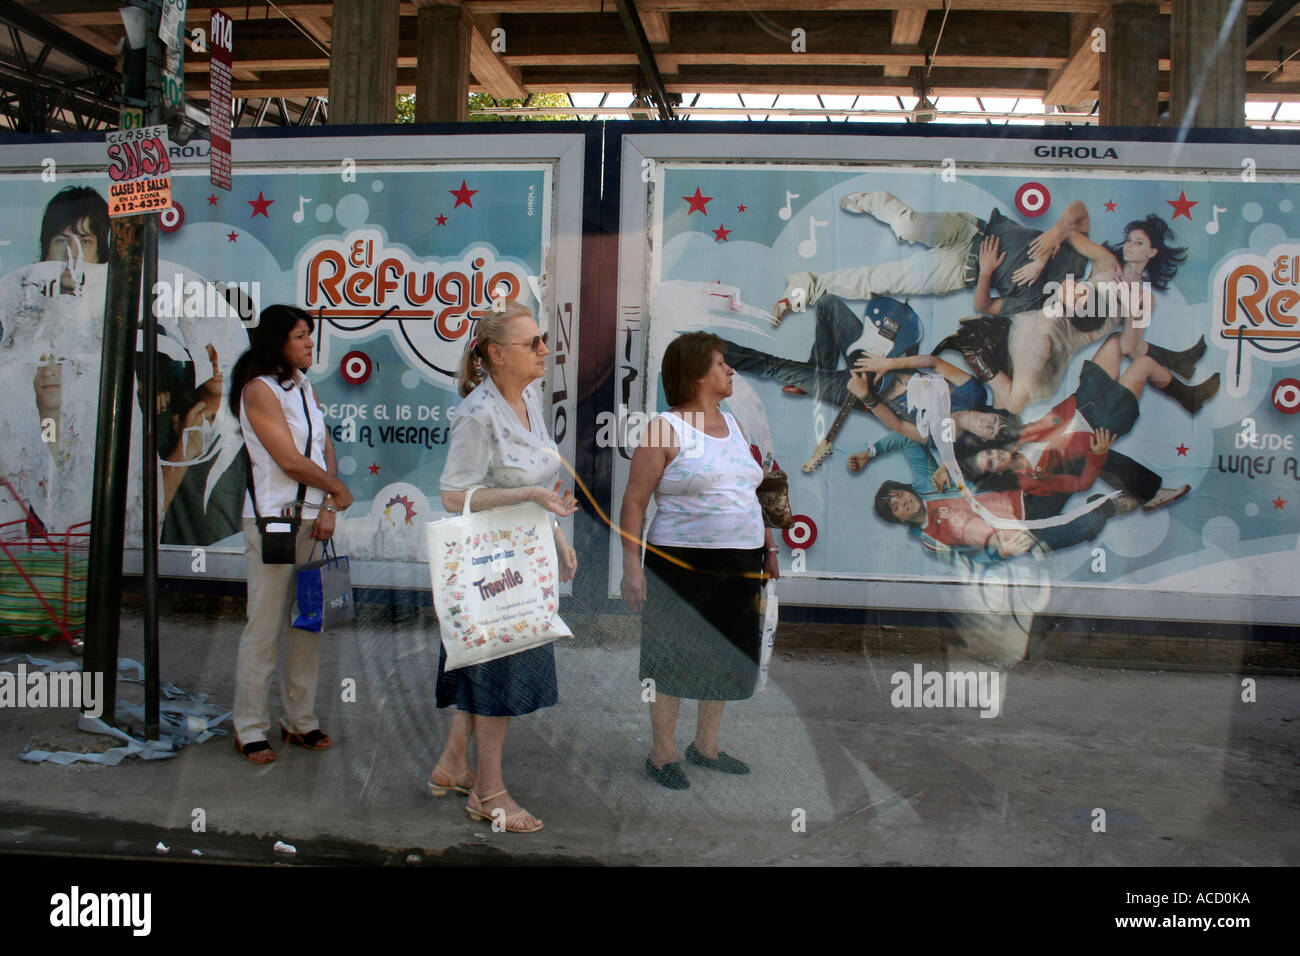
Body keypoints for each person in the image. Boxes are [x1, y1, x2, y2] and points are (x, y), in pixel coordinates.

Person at [428, 300, 578, 834]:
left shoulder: (529, 397)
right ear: (495, 354)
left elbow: (530, 474)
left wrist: (553, 531)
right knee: (497, 674)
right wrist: (536, 495)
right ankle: (487, 794)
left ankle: (452, 764)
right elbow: (452, 495)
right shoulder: (478, 414)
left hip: (523, 554)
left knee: (483, 666)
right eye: (531, 343)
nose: (544, 350)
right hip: (489, 570)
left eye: (542, 340)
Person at [619, 332, 780, 790]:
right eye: (721, 364)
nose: (730, 371)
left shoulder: (733, 423)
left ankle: (705, 746)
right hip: (681, 563)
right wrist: (633, 569)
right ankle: (662, 751)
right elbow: (634, 503)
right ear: (695, 375)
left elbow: (752, 491)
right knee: (672, 656)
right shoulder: (664, 428)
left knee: (724, 653)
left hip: (741, 559)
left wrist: (768, 547)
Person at [228, 305, 353, 764]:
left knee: (307, 624)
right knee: (264, 626)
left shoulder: (304, 389)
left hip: (310, 521)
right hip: (273, 523)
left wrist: (326, 508)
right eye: (300, 335)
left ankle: (300, 721)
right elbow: (288, 460)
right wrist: (337, 490)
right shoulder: (259, 390)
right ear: (277, 341)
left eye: (309, 335)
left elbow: (324, 448)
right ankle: (249, 727)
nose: (308, 343)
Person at [957, 334, 1193, 512]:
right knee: (1143, 365)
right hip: (1101, 425)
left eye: (989, 452)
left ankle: (1184, 372)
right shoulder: (1031, 482)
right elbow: (1080, 484)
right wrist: (1098, 454)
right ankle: (1192, 398)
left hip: (1081, 401)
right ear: (995, 475)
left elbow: (979, 417)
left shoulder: (1012, 438)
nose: (995, 456)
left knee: (1117, 341)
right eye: (990, 463)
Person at [772, 191, 1092, 321]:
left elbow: (984, 306)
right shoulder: (1075, 258)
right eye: (1083, 294)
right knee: (908, 225)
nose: (1076, 297)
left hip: (957, 271)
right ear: (1085, 286)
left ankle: (804, 288)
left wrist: (986, 271)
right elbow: (1077, 209)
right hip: (971, 232)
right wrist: (1050, 242)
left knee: (881, 281)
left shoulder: (1034, 303)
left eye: (1075, 306)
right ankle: (872, 200)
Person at [873, 479, 1130, 566]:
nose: (903, 502)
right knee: (1086, 527)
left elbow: (909, 443)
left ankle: (1126, 494)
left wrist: (872, 451)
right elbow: (969, 559)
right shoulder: (930, 541)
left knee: (1073, 472)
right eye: (895, 506)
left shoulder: (933, 488)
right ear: (897, 519)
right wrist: (1000, 555)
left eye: (900, 494)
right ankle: (1103, 510)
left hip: (1022, 503)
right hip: (1022, 538)